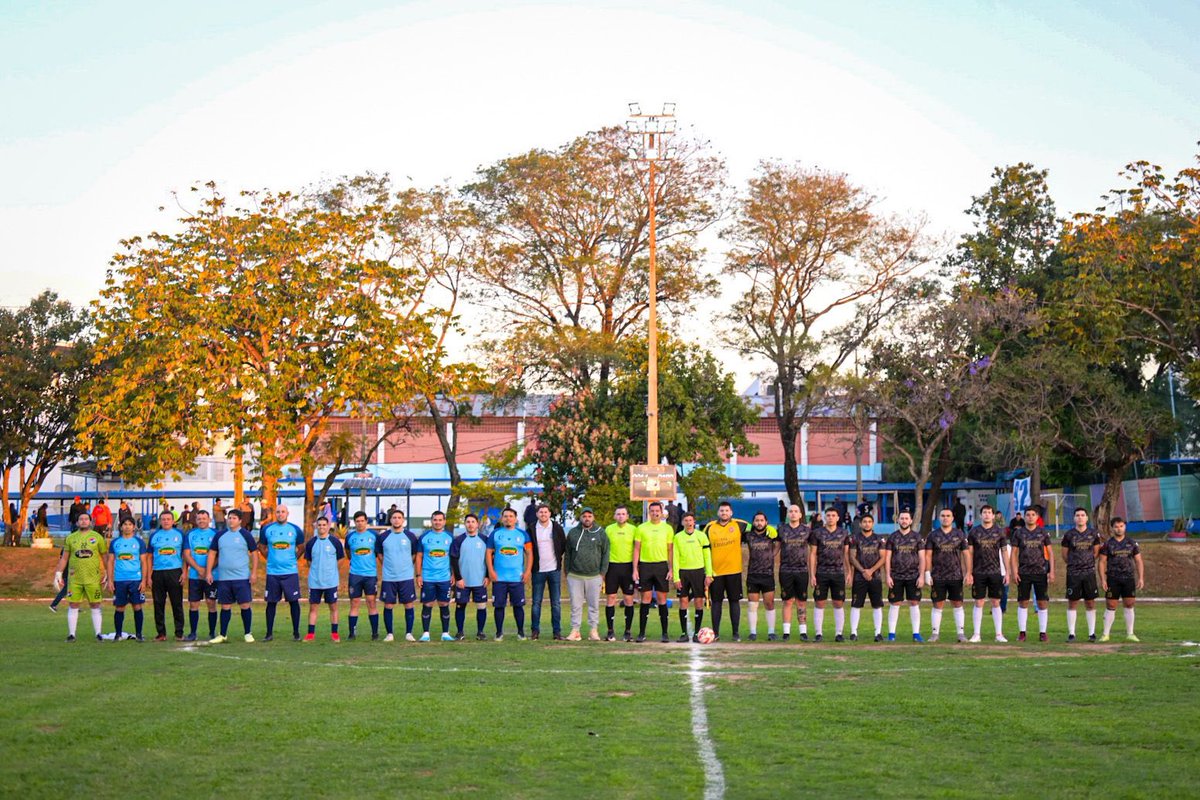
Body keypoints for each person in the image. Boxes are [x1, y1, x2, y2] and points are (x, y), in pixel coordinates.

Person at [204, 509, 259, 644]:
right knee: (225, 606)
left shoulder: (246, 535)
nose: (231, 520)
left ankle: (247, 633)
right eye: (229, 518)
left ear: (240, 521)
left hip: (241, 577)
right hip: (224, 578)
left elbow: (254, 553)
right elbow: (212, 553)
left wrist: (254, 572)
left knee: (245, 605)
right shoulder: (220, 535)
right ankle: (222, 634)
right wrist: (209, 572)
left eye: (234, 518)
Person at [53, 512, 107, 641]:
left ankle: (98, 633)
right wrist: (58, 573)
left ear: (90, 521)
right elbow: (64, 558)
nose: (83, 521)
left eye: (86, 519)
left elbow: (105, 557)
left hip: (93, 578)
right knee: (73, 605)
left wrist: (109, 574)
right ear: (77, 522)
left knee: (95, 605)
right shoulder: (71, 538)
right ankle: (72, 634)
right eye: (81, 519)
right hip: (75, 579)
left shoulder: (97, 537)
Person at [923, 508, 972, 643]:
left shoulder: (960, 534)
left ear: (952, 518)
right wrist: (927, 572)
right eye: (943, 515)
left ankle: (961, 633)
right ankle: (935, 633)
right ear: (939, 518)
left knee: (957, 603)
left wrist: (968, 572)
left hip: (956, 575)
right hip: (938, 576)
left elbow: (966, 554)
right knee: (938, 604)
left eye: (948, 516)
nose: (945, 518)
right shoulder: (933, 535)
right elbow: (928, 555)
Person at [258, 504, 305, 642]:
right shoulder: (267, 529)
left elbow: (301, 547)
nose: (280, 514)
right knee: (271, 603)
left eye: (283, 512)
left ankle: (296, 633)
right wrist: (269, 557)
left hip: (290, 572)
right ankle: (269, 633)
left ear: (287, 513)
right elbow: (261, 546)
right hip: (272, 573)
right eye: (278, 512)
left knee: (293, 602)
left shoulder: (295, 530)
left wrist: (293, 558)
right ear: (275, 514)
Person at [704, 501, 749, 642]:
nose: (724, 513)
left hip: (734, 571)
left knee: (734, 601)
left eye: (726, 511)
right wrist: (708, 572)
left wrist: (771, 531)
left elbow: (759, 527)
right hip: (716, 572)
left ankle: (735, 633)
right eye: (721, 511)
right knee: (716, 602)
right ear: (718, 513)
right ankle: (715, 633)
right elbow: (704, 549)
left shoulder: (739, 525)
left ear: (731, 513)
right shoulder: (710, 527)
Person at [564, 507, 609, 641]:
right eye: (584, 516)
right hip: (575, 576)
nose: (587, 518)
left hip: (594, 576)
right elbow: (567, 554)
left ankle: (593, 630)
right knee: (575, 605)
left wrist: (602, 573)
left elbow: (606, 553)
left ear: (593, 518)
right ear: (580, 518)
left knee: (594, 605)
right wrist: (567, 572)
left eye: (590, 516)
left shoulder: (600, 533)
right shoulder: (573, 533)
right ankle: (575, 630)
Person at [1010, 506, 1055, 642]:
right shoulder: (1018, 533)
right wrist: (1014, 571)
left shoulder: (1043, 532)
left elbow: (1051, 553)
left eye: (1033, 514)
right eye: (1028, 514)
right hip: (1023, 572)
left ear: (1037, 517)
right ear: (1024, 517)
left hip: (1040, 572)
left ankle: (1043, 633)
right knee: (1023, 602)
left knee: (1042, 603)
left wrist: (1051, 571)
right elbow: (1013, 554)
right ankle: (1022, 633)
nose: (1030, 517)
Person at [376, 509, 420, 642]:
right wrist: (388, 565)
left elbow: (414, 555)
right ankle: (389, 634)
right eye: (394, 517)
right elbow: (379, 554)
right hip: (389, 578)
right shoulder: (383, 537)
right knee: (388, 605)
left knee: (408, 604)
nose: (396, 520)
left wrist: (406, 565)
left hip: (406, 577)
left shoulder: (410, 536)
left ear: (403, 520)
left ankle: (409, 633)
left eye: (399, 517)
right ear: (390, 520)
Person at [633, 501, 674, 643]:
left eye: (657, 511)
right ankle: (642, 633)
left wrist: (671, 568)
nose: (655, 513)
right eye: (652, 511)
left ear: (661, 512)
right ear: (648, 513)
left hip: (661, 566)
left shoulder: (668, 529)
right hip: (645, 566)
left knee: (662, 600)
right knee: (646, 599)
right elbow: (637, 549)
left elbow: (670, 550)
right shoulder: (641, 528)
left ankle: (664, 633)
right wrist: (635, 569)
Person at [487, 507, 532, 640]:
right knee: (499, 606)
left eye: (511, 516)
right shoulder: (495, 534)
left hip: (516, 578)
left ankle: (521, 632)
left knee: (518, 606)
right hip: (499, 577)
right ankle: (499, 633)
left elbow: (529, 553)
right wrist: (491, 571)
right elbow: (488, 553)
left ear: (516, 519)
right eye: (505, 516)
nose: (508, 518)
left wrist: (527, 571)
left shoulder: (522, 534)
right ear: (502, 519)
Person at [967, 504, 1009, 642]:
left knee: (996, 602)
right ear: (981, 515)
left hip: (995, 572)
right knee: (979, 602)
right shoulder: (974, 532)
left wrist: (1008, 572)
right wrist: (969, 572)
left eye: (989, 512)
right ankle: (976, 634)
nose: (986, 515)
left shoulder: (1000, 532)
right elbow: (970, 553)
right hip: (978, 572)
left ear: (993, 515)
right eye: (984, 512)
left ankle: (999, 634)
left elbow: (1004, 552)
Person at [808, 507, 850, 642]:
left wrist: (849, 572)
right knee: (820, 602)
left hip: (838, 573)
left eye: (833, 515)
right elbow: (813, 554)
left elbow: (846, 554)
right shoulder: (817, 533)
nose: (831, 517)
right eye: (828, 515)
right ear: (825, 517)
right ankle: (818, 633)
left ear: (838, 518)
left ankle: (839, 633)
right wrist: (812, 574)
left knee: (838, 603)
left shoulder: (844, 533)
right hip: (822, 573)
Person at [1099, 516, 1144, 642]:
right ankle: (1105, 634)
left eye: (1121, 526)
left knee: (1129, 604)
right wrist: (1103, 579)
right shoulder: (1108, 544)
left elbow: (1138, 561)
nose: (1119, 529)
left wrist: (1141, 578)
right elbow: (1102, 562)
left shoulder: (1132, 543)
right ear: (1112, 528)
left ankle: (1130, 633)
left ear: (1125, 526)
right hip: (1113, 579)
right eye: (1116, 527)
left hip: (1128, 578)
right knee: (1111, 604)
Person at [883, 509, 925, 642]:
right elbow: (887, 558)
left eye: (907, 518)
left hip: (913, 576)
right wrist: (888, 576)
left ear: (911, 521)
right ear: (898, 520)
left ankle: (916, 634)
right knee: (895, 603)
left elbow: (922, 558)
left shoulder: (917, 537)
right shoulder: (892, 537)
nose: (904, 521)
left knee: (914, 603)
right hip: (896, 576)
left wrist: (922, 575)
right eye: (902, 518)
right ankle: (891, 634)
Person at [1061, 508, 1102, 642]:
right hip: (1073, 573)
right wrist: (1075, 564)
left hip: (1089, 573)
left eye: (1082, 515)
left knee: (1090, 603)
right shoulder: (1068, 535)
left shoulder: (1093, 534)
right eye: (1077, 515)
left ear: (1087, 518)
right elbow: (1065, 555)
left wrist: (1087, 563)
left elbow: (1096, 553)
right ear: (1074, 518)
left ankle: (1092, 633)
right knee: (1073, 602)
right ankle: (1071, 634)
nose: (1080, 517)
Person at [106, 517, 149, 641]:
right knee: (119, 607)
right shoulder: (115, 543)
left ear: (134, 527)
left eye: (130, 524)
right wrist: (110, 580)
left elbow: (144, 562)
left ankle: (139, 634)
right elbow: (110, 562)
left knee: (137, 606)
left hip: (135, 580)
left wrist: (144, 580)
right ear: (121, 526)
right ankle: (118, 634)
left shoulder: (139, 542)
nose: (127, 527)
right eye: (125, 524)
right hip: (119, 580)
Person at [672, 512, 712, 643]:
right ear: (683, 522)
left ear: (694, 522)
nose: (688, 523)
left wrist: (709, 574)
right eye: (686, 520)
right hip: (683, 572)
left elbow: (707, 557)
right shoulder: (677, 537)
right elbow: (675, 558)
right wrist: (676, 577)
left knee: (698, 602)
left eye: (691, 520)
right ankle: (684, 633)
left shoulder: (701, 536)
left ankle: (696, 633)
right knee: (683, 602)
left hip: (698, 572)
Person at [303, 517, 345, 641]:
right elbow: (308, 561)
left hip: (330, 581)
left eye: (324, 525)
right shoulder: (311, 543)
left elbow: (341, 559)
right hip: (315, 582)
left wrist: (331, 570)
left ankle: (334, 633)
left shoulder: (335, 542)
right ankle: (310, 634)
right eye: (319, 525)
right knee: (313, 607)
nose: (321, 527)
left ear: (328, 526)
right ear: (316, 526)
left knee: (333, 607)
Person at [450, 513, 491, 641]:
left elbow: (490, 559)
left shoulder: (485, 539)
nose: (470, 524)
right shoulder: (458, 540)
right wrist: (458, 578)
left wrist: (488, 576)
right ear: (465, 524)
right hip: (463, 581)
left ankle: (480, 632)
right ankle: (460, 632)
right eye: (468, 522)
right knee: (460, 605)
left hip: (480, 580)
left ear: (477, 524)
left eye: (473, 521)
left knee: (481, 606)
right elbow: (454, 559)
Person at [528, 504, 566, 641]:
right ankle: (535, 631)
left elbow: (563, 545)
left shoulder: (556, 527)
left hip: (554, 570)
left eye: (546, 512)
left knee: (555, 603)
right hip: (538, 570)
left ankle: (556, 632)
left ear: (550, 513)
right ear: (537, 514)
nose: (543, 514)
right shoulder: (532, 528)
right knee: (536, 602)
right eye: (541, 512)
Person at [417, 510, 455, 642]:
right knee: (427, 604)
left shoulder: (450, 537)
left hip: (444, 577)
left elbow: (453, 557)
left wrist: (454, 574)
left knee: (444, 603)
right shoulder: (424, 537)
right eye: (435, 520)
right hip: (428, 577)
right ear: (431, 521)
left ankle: (445, 633)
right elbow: (419, 556)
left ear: (444, 521)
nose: (437, 522)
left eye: (440, 520)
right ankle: (425, 633)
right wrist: (418, 575)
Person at [148, 509, 186, 641]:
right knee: (158, 604)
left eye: (168, 519)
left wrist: (184, 572)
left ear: (173, 521)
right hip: (158, 572)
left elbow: (186, 555)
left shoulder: (180, 534)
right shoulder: (154, 535)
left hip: (175, 571)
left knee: (177, 603)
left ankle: (179, 633)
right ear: (160, 521)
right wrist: (148, 575)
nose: (166, 521)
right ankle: (161, 633)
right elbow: (149, 557)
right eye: (163, 519)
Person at [847, 512, 885, 642]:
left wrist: (871, 571)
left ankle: (878, 633)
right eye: (864, 522)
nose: (867, 524)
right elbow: (852, 557)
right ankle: (853, 633)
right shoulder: (854, 538)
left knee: (877, 605)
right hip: (859, 577)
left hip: (875, 577)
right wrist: (863, 571)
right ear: (860, 524)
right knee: (856, 605)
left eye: (869, 521)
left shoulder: (879, 539)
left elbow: (883, 557)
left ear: (872, 523)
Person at [604, 505, 638, 641]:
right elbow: (604, 549)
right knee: (611, 598)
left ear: (627, 516)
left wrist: (636, 568)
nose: (620, 516)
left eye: (623, 514)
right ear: (614, 516)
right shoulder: (609, 529)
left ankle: (627, 631)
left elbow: (637, 550)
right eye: (618, 514)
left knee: (629, 599)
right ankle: (610, 630)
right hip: (612, 567)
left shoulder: (634, 530)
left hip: (628, 567)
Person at [182, 509, 218, 642]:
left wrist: (208, 570)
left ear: (209, 520)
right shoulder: (190, 534)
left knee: (211, 603)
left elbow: (219, 555)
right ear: (196, 520)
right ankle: (192, 633)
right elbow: (186, 554)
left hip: (213, 576)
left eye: (204, 518)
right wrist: (198, 569)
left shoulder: (215, 534)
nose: (202, 521)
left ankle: (212, 632)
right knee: (194, 604)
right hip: (194, 575)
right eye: (199, 519)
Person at [777, 503, 811, 641]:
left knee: (801, 602)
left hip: (802, 570)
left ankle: (803, 632)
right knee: (787, 601)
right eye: (790, 511)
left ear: (800, 514)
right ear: (788, 514)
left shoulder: (807, 531)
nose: (793, 513)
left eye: (796, 511)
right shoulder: (781, 529)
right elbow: (776, 549)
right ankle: (786, 632)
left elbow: (813, 551)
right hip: (785, 570)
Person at [744, 512, 779, 641]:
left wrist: (771, 555)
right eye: (757, 520)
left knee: (769, 603)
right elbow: (739, 524)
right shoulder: (748, 535)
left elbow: (779, 544)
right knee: (752, 605)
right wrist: (748, 526)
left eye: (762, 520)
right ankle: (752, 632)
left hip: (767, 574)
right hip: (753, 574)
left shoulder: (771, 535)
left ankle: (771, 632)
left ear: (766, 522)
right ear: (753, 522)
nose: (759, 523)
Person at [345, 511, 380, 641]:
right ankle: (352, 633)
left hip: (370, 575)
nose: (360, 523)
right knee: (354, 603)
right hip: (355, 575)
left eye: (362, 521)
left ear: (366, 522)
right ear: (354, 523)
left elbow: (377, 553)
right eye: (357, 521)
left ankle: (375, 633)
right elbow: (348, 553)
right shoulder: (350, 537)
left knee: (371, 602)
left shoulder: (374, 536)